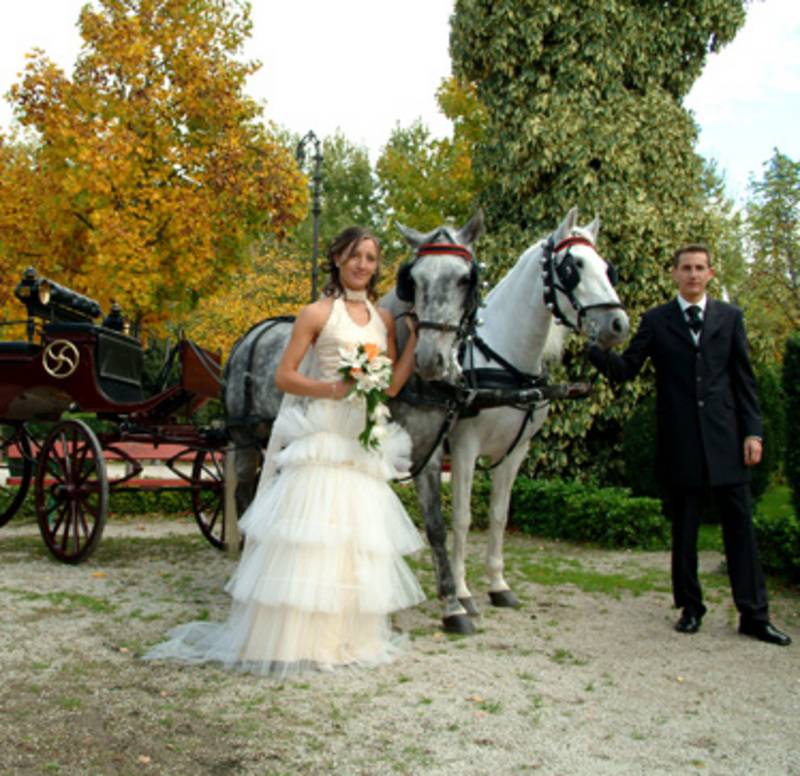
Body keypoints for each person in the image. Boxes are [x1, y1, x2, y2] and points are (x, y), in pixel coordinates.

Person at [145, 226, 425, 675]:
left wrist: (415, 344)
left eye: (371, 258)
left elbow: (390, 385)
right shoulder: (316, 313)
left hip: (361, 439)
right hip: (324, 433)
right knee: (313, 535)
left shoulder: (383, 320)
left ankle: (349, 638)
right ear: (336, 257)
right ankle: (299, 640)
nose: (362, 265)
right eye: (354, 255)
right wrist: (332, 388)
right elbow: (285, 376)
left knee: (356, 538)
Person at [587, 244, 790, 646]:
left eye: (700, 268)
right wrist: (594, 350)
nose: (693, 275)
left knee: (741, 533)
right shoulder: (657, 321)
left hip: (727, 442)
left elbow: (744, 381)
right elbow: (627, 369)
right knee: (685, 533)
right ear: (674, 274)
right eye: (686, 268)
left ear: (711, 274)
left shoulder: (730, 319)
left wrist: (753, 432)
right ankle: (690, 608)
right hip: (681, 443)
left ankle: (754, 614)